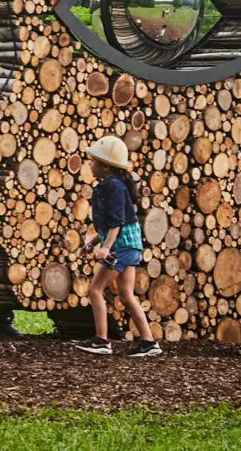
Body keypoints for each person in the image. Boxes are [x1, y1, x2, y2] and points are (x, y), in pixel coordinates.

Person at [74, 136, 163, 357]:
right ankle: (149, 342)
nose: (90, 165)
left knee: (95, 290)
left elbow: (117, 222)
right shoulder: (110, 185)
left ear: (105, 165)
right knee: (126, 295)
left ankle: (101, 340)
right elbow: (109, 224)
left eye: (93, 161)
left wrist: (106, 248)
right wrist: (93, 242)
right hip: (129, 246)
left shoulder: (112, 186)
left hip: (122, 247)